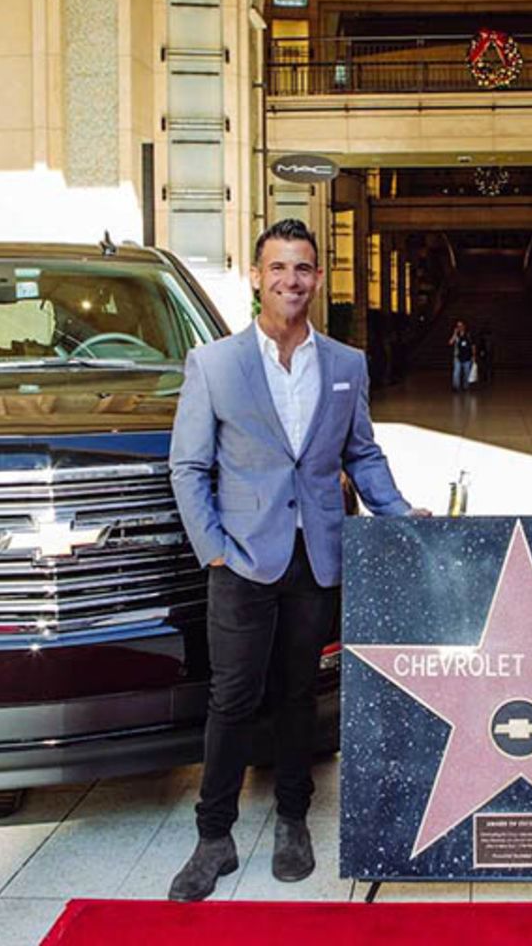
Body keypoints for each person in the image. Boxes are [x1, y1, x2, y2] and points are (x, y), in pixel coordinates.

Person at [168, 219, 430, 900]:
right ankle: (213, 834)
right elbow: (188, 466)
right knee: (231, 698)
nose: (291, 280)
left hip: (318, 560)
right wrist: (215, 551)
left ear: (318, 277)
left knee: (298, 697)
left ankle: (292, 819)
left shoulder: (346, 366)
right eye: (278, 267)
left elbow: (361, 453)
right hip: (243, 562)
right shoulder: (215, 364)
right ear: (257, 276)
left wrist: (398, 513)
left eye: (303, 268)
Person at [448, 320, 473, 392]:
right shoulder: (456, 336)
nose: (460, 327)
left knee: (466, 372)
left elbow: (472, 345)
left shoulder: (468, 335)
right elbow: (450, 342)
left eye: (461, 325)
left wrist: (473, 355)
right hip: (457, 357)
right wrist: (454, 334)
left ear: (464, 326)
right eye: (458, 326)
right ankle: (456, 387)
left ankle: (466, 386)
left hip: (467, 357)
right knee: (456, 372)